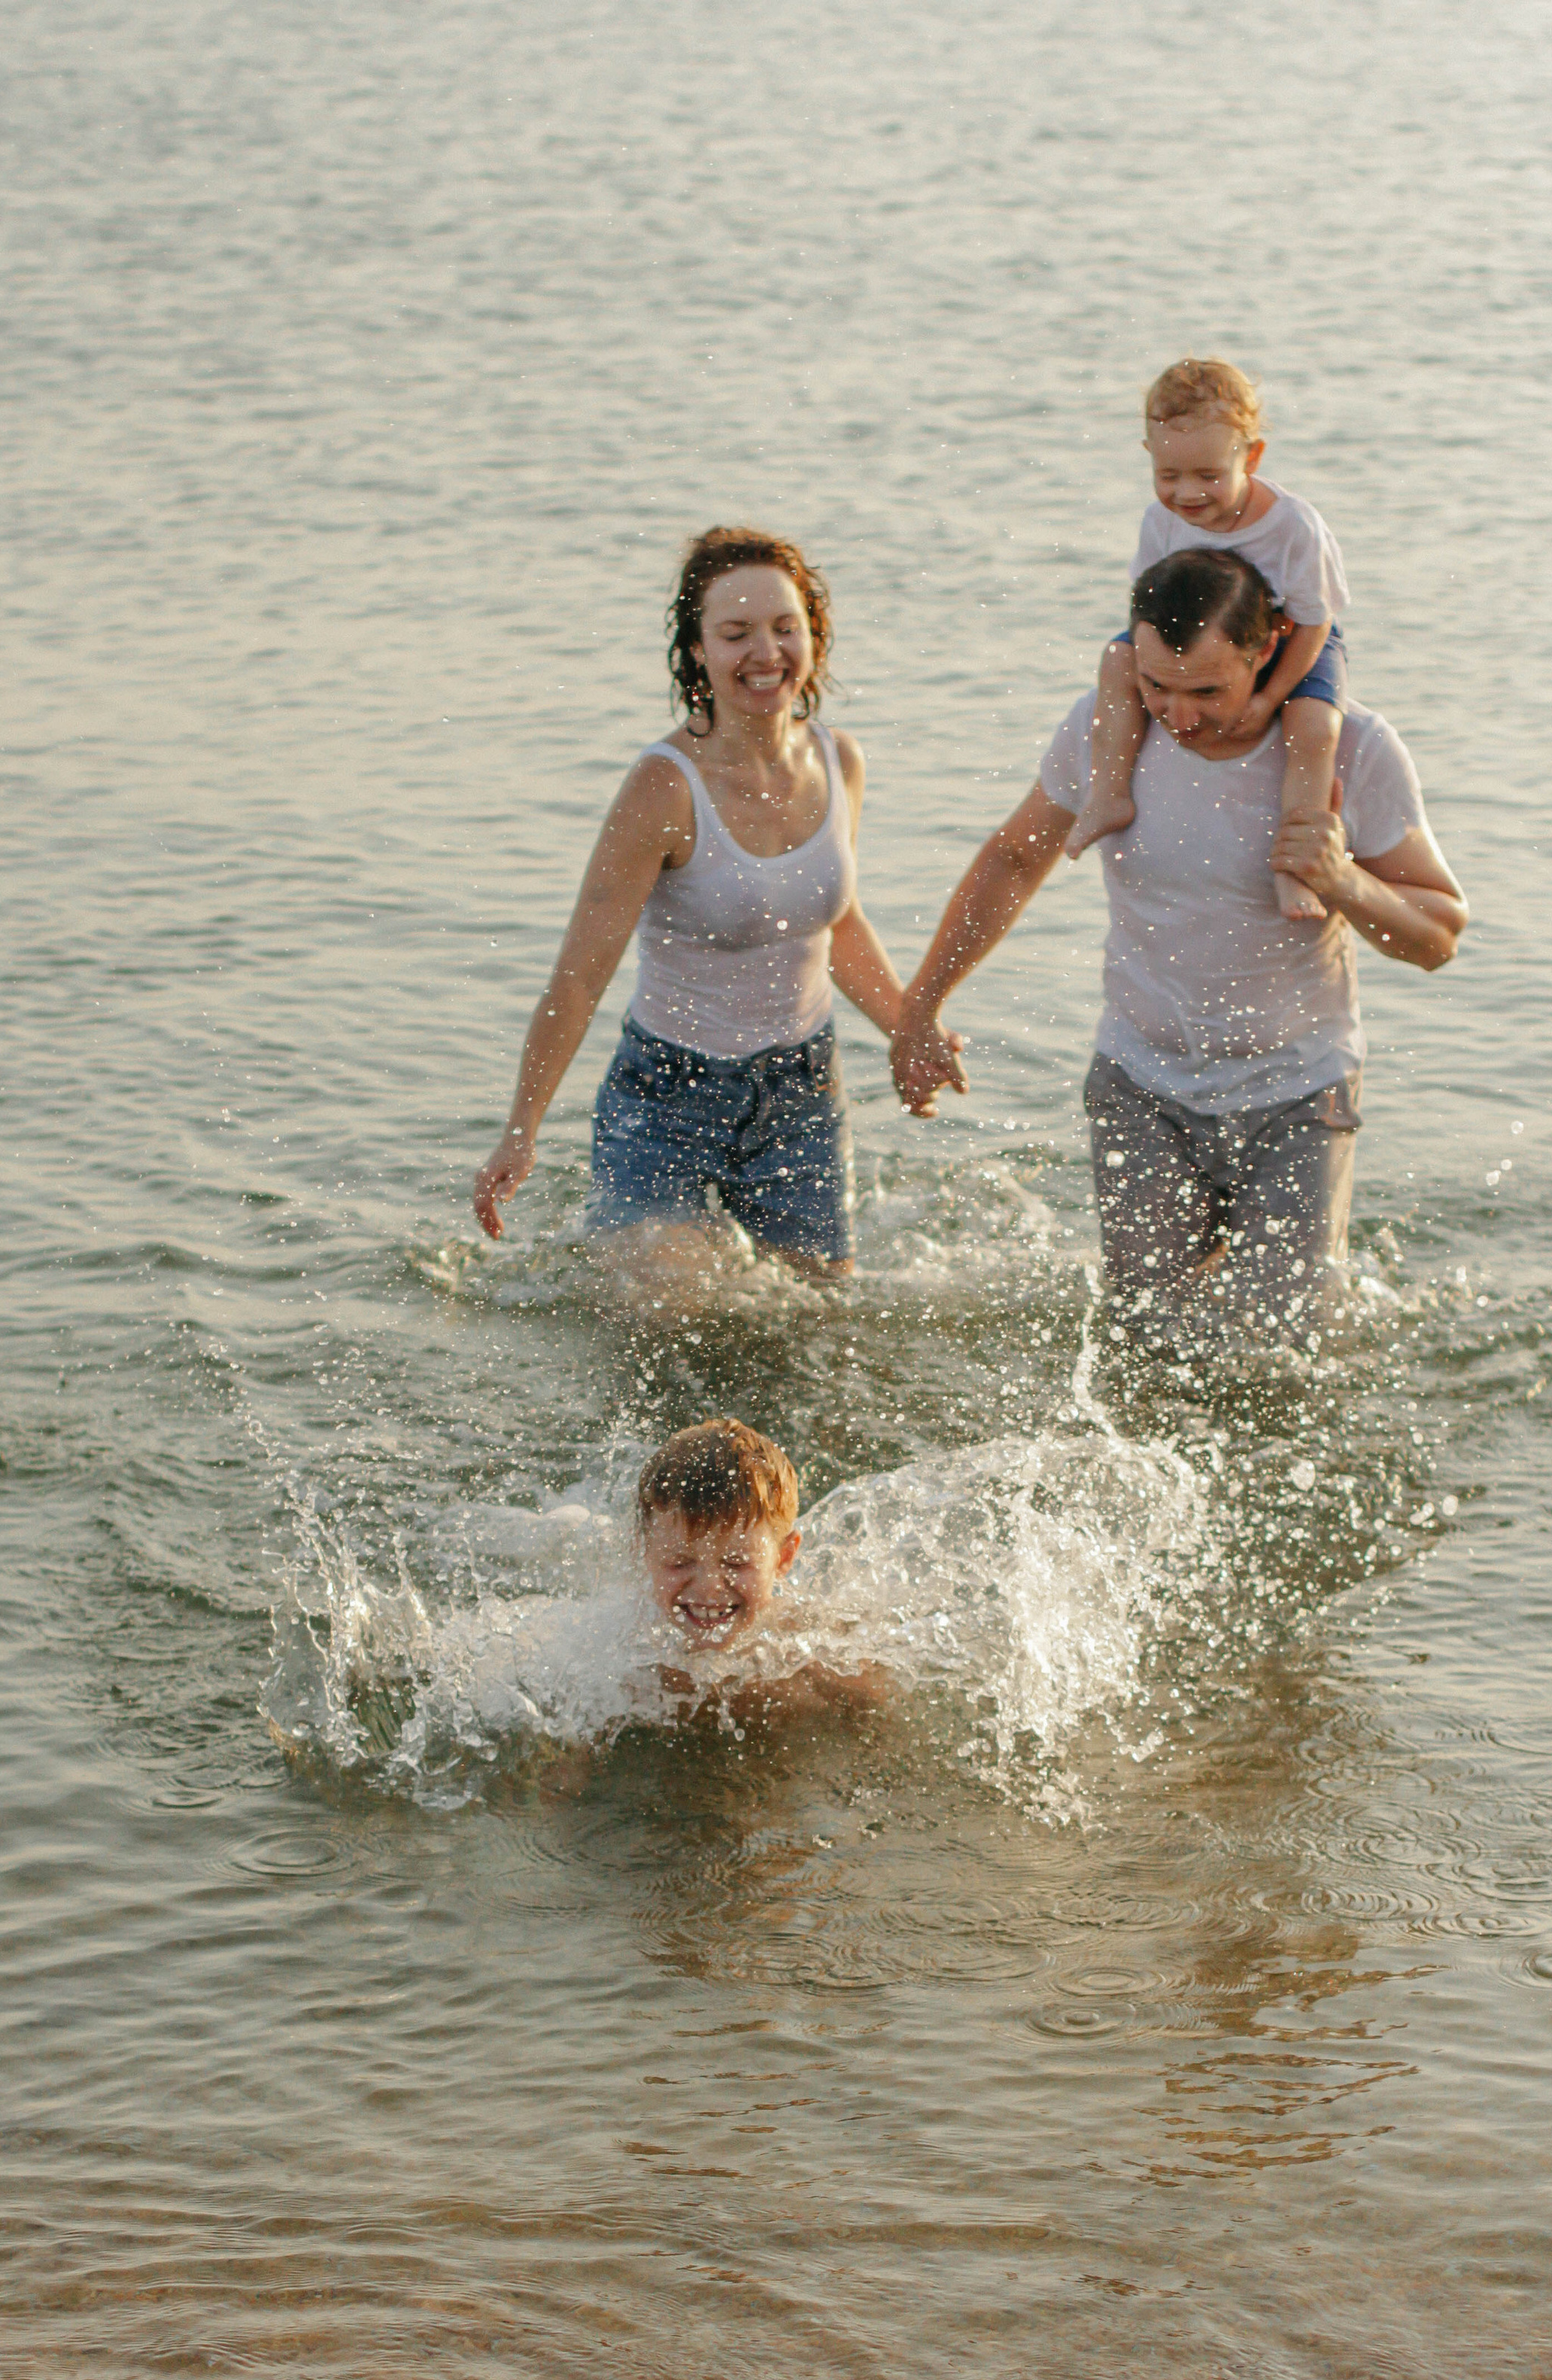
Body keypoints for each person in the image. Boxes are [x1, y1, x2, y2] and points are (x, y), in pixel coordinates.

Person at [890, 546, 1468, 1330]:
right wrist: (921, 1006)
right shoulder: (1112, 731)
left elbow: (1437, 936)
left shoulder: (1349, 748)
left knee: (1282, 1352)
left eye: (1206, 691)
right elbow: (1015, 857)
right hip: (1141, 1086)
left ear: (1266, 651)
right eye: (1155, 685)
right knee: (1145, 1340)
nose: (1177, 715)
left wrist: (1343, 882)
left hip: (1295, 1093)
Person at [474, 528, 931, 1291]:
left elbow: (832, 922)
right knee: (670, 1324)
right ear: (695, 652)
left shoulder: (838, 760)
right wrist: (518, 1135)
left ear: (812, 636)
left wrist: (909, 1029)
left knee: (821, 1322)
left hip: (802, 1091)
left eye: (785, 628)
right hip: (667, 1098)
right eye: (735, 633)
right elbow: (579, 981)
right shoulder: (662, 787)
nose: (766, 652)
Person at [1063, 357, 1350, 923]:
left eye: (1209, 476)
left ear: (1253, 456)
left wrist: (1270, 699)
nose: (1188, 494)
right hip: (1194, 645)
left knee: (1315, 725)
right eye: (1169, 477)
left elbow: (1316, 620)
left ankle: (1295, 867)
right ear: (1151, 458)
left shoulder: (1293, 526)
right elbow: (1149, 613)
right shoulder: (1159, 521)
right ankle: (1109, 793)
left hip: (1292, 638)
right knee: (1115, 658)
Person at [637, 1418, 888, 1711]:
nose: (709, 1588)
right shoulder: (624, 1663)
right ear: (644, 1551)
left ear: (783, 1558)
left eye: (736, 1563)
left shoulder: (815, 1659)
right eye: (679, 1562)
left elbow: (881, 1720)